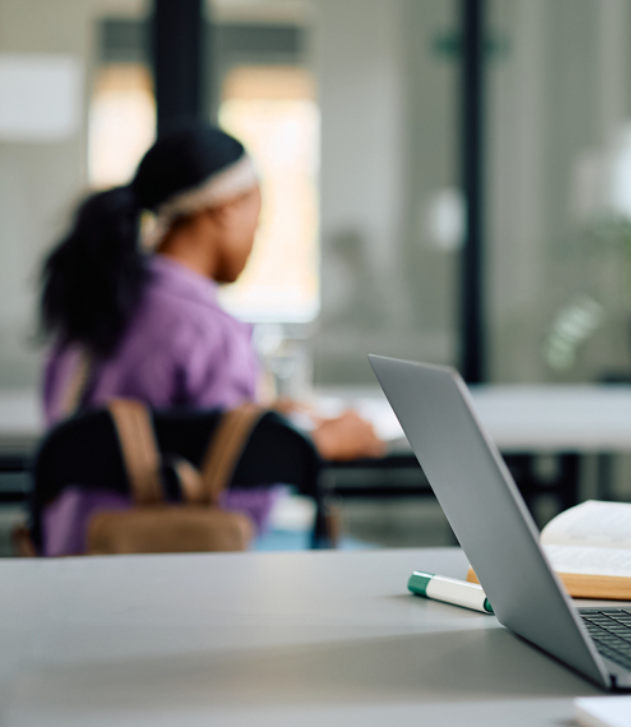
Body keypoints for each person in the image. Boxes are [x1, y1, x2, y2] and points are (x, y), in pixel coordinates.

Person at [37, 123, 385, 556]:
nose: (258, 236)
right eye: (258, 216)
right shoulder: (209, 330)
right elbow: (237, 513)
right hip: (163, 571)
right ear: (225, 209)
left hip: (68, 556)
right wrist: (312, 446)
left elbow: (86, 437)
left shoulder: (93, 306)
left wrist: (262, 422)